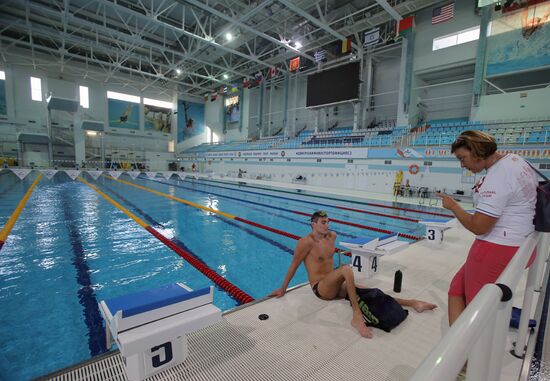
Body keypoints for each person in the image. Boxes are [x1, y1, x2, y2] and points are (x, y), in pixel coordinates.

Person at [269, 211, 437, 338]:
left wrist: (340, 278)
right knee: (346, 269)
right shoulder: (305, 243)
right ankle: (357, 316)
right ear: (313, 224)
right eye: (323, 222)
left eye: (328, 222)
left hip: (334, 282)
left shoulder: (332, 236)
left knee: (372, 292)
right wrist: (283, 289)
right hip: (321, 288)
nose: (327, 225)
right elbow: (294, 265)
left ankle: (413, 302)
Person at [436, 130, 537, 328]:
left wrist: (454, 206)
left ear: (477, 151)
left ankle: (472, 356)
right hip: (520, 243)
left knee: (477, 309)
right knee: (457, 289)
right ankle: (458, 352)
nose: (462, 165)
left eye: (463, 158)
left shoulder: (498, 175)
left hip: (497, 248)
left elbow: (479, 226)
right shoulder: (514, 160)